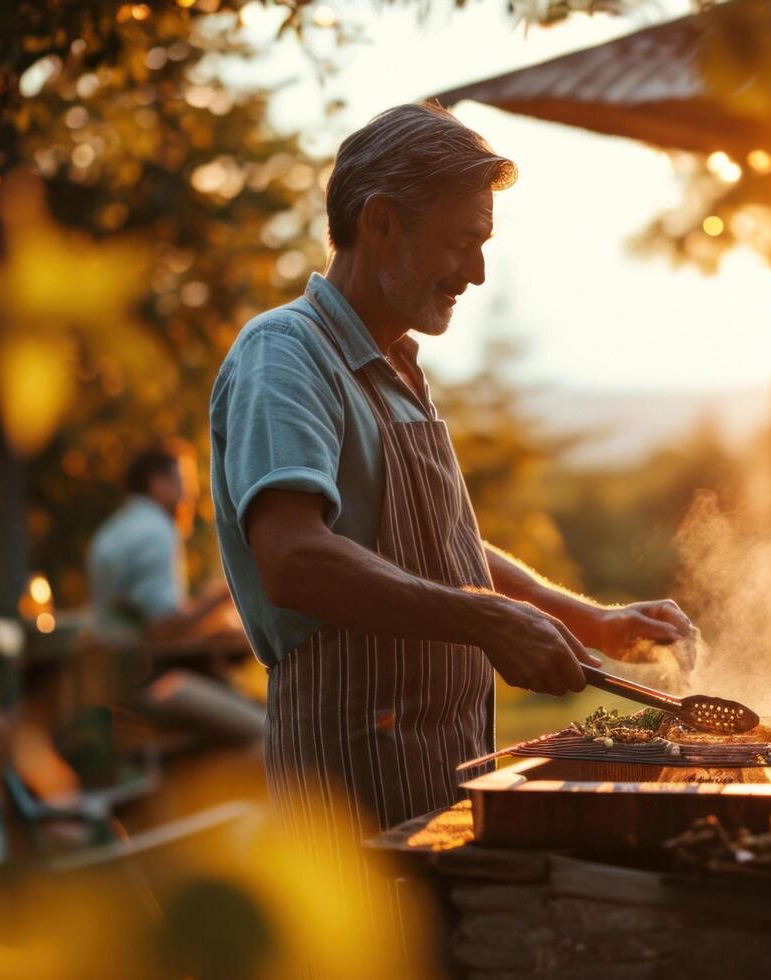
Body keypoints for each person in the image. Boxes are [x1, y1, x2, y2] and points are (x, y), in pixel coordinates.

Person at [209, 103, 694, 848]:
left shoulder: (397, 367)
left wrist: (588, 620)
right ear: (381, 223)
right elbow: (293, 558)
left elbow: (446, 550)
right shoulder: (285, 354)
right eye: (463, 241)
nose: (475, 272)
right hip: (349, 788)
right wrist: (484, 621)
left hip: (443, 767)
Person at [87, 439, 231, 645]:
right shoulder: (156, 531)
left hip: (113, 665)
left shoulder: (114, 528)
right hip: (143, 670)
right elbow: (163, 626)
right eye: (184, 480)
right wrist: (223, 596)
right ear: (158, 483)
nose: (192, 493)